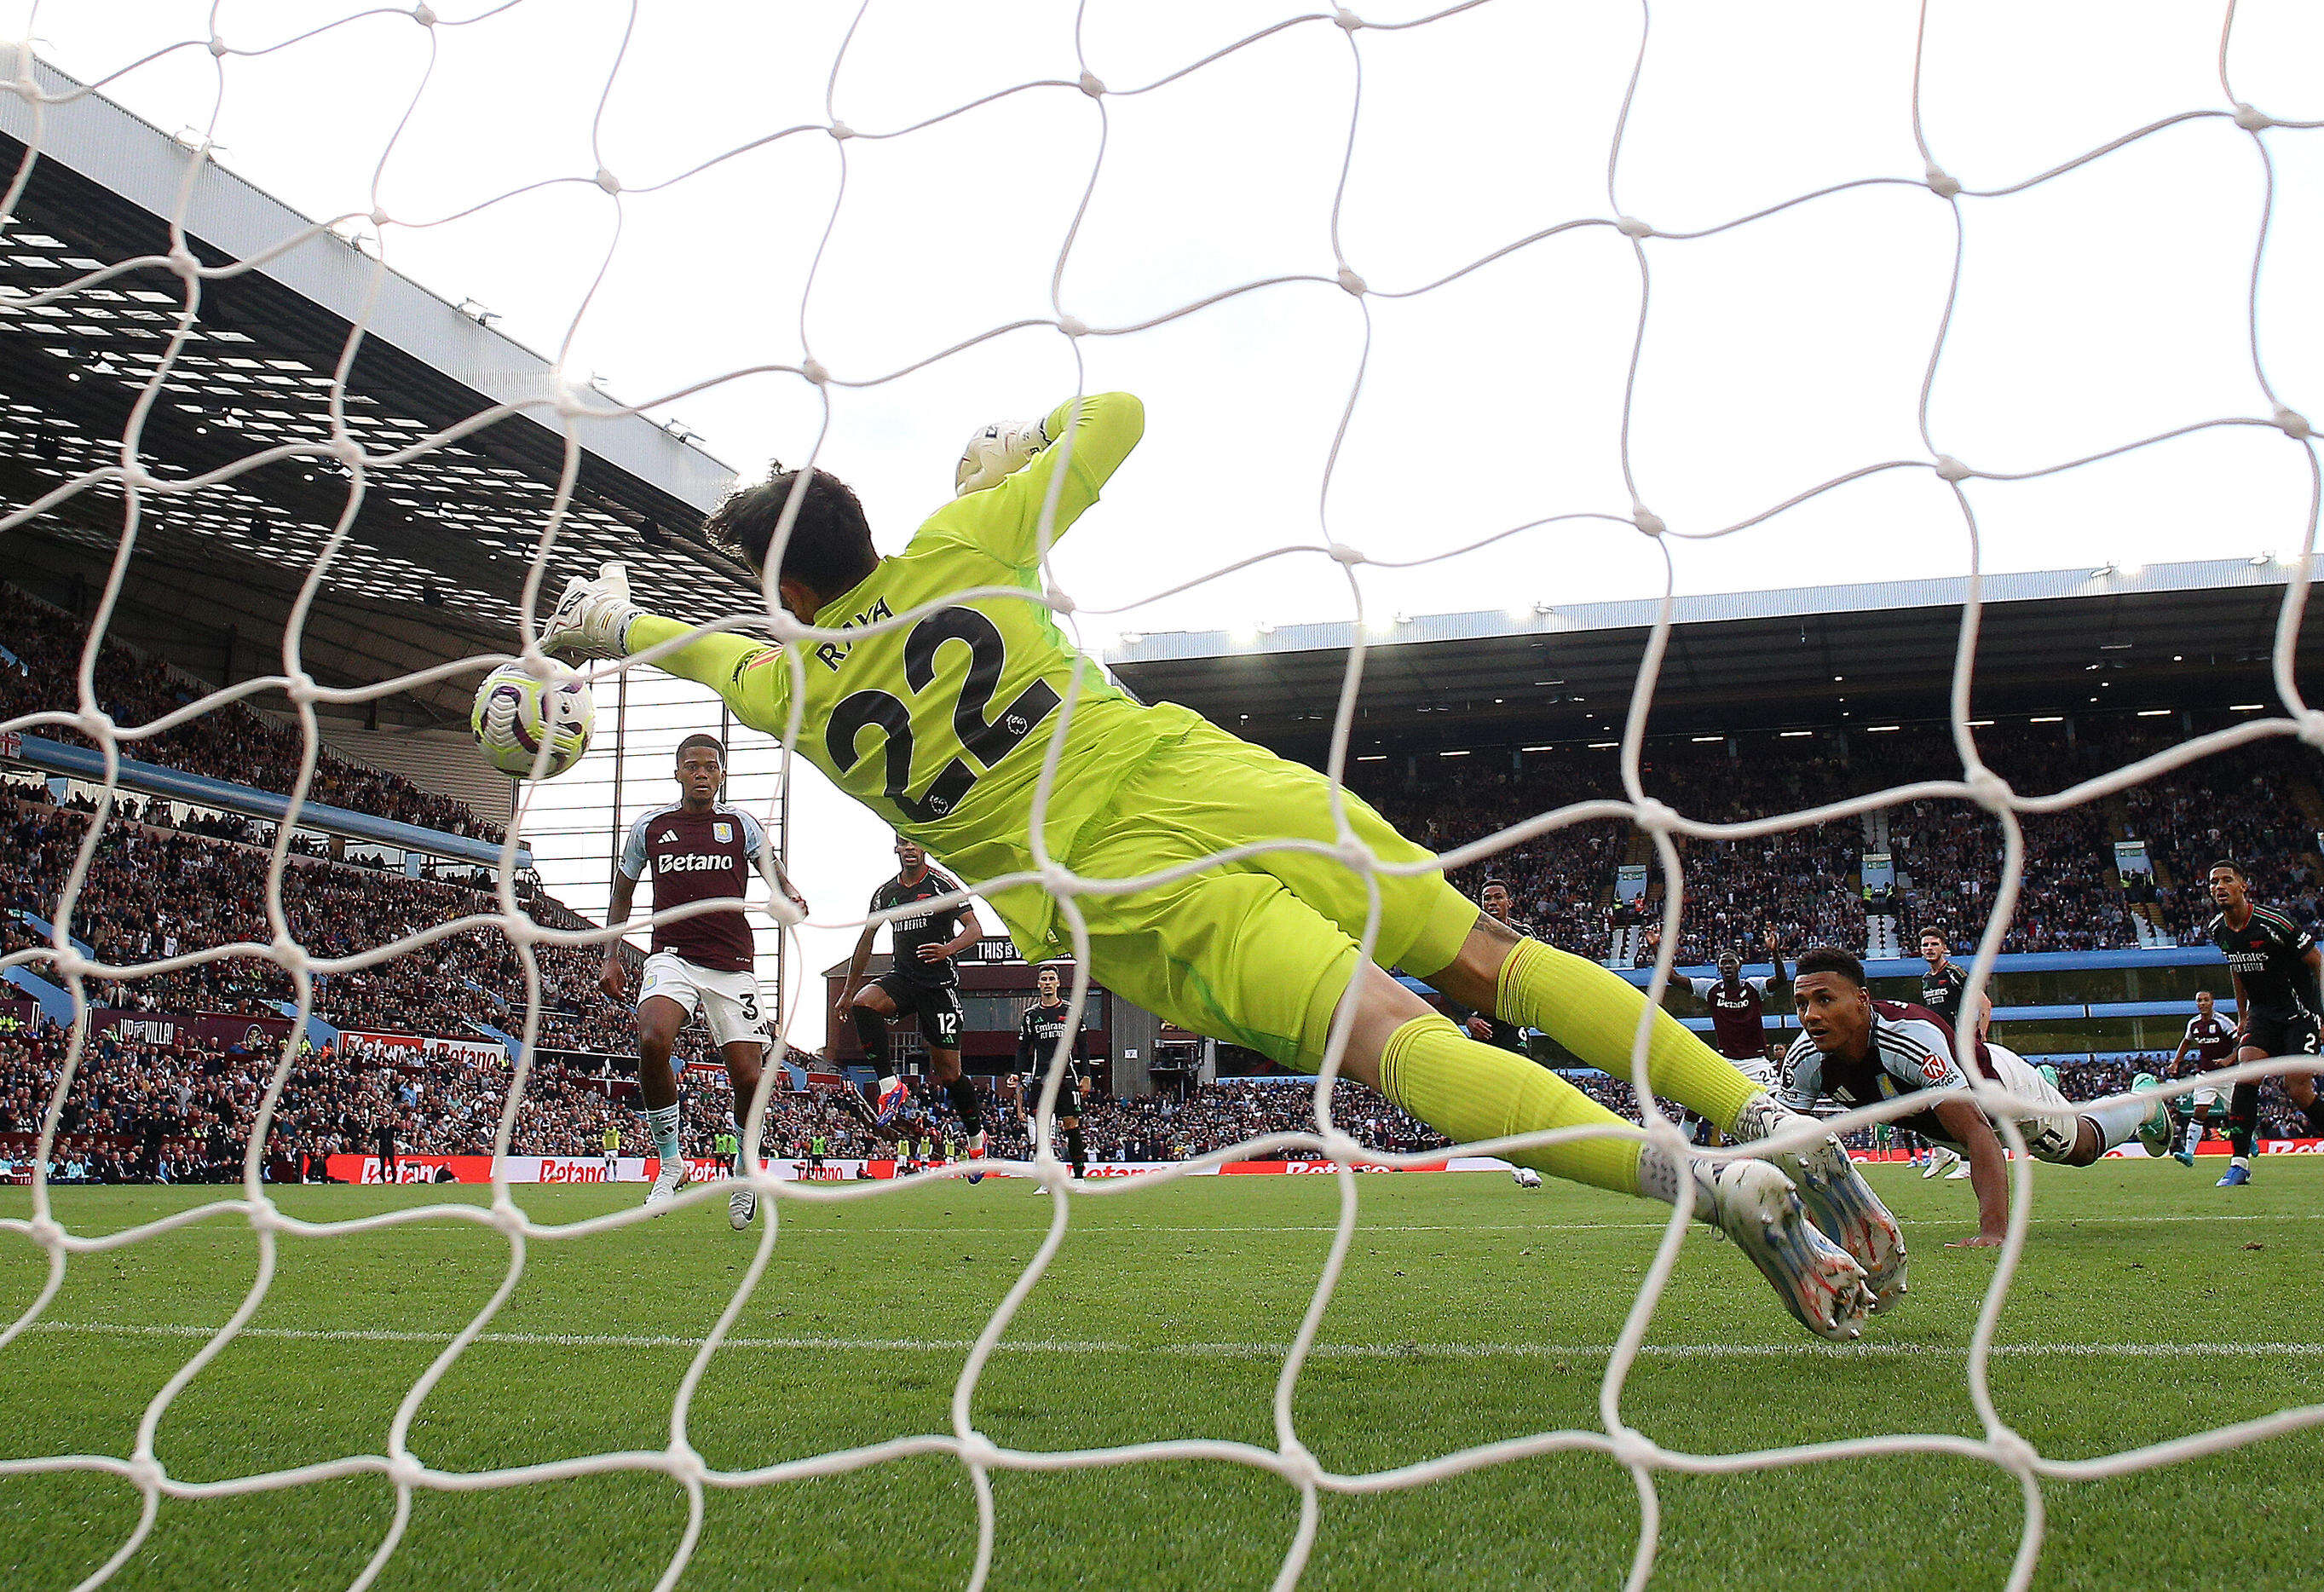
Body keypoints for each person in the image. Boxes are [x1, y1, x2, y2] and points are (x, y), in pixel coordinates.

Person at [537, 389, 1906, 1339]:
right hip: (1214, 778)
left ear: (788, 591)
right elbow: (1123, 417)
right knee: (1490, 958)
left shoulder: (796, 689)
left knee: (1387, 1035)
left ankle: (1711, 1191)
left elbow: (695, 652)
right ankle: (1747, 1109)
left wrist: (612, 626)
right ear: (867, 529)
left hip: (1118, 885)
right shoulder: (972, 542)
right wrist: (1018, 458)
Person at [1781, 946, 2173, 1248]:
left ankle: (2142, 1101)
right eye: (1802, 1004)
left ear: (1863, 999)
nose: (1810, 1015)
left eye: (1825, 999)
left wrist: (1993, 1232)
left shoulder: (1908, 1038)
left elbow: (1977, 1133)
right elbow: (1786, 1147)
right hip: (1934, 1120)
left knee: (2081, 1149)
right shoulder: (1804, 1058)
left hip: (1998, 1095)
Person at [601, 733, 808, 1228]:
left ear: (720, 774)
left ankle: (743, 1167)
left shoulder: (742, 824)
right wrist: (610, 956)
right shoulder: (651, 827)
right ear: (677, 772)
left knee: (751, 1079)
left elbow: (773, 872)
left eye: (710, 766)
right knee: (652, 1037)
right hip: (671, 957)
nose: (700, 773)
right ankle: (671, 1161)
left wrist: (791, 894)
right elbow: (622, 893)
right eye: (691, 765)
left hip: (732, 963)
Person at [2201, 862, 2324, 1187]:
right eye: (2213, 882)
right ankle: (2239, 1164)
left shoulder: (2274, 923)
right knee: (2246, 1076)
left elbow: (2321, 963)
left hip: (2298, 1013)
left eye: (2227, 880)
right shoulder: (2218, 929)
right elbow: (2237, 968)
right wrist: (2243, 1014)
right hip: (2262, 1013)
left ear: (2243, 886)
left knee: (2299, 1090)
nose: (2219, 886)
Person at [836, 838, 989, 1177]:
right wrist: (847, 991)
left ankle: (977, 1138)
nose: (908, 848)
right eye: (902, 842)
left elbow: (976, 930)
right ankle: (890, 1087)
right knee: (864, 1004)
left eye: (914, 842)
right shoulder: (885, 894)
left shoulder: (943, 885)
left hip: (939, 987)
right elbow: (866, 941)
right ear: (895, 849)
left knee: (950, 1074)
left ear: (924, 848)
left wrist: (947, 950)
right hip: (903, 979)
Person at [1651, 925, 1789, 1143]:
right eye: (1722, 963)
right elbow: (1673, 978)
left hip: (1756, 1061)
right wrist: (1656, 947)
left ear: (1739, 965)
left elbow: (1781, 980)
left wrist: (1775, 952)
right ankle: (1677, 1152)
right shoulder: (1711, 989)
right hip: (1726, 1062)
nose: (1726, 966)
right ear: (1718, 968)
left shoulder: (1754, 987)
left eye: (1730, 962)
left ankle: (1789, 1147)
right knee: (1696, 1105)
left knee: (1779, 1106)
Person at [1912, 926, 1990, 1179]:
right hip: (1939, 1045)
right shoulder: (1926, 979)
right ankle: (1942, 1152)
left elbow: (1984, 1003)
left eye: (1934, 944)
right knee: (1926, 1091)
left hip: (1960, 1045)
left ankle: (1967, 1162)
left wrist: (1980, 1034)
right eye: (1925, 945)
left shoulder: (1955, 973)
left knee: (1964, 1098)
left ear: (1944, 947)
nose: (1929, 949)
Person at [1018, 964, 1087, 1186]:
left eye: (1051, 979)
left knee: (1071, 1126)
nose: (1047, 983)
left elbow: (1083, 1046)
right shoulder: (1031, 1015)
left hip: (1066, 1078)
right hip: (1040, 1080)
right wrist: (1018, 1075)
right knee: (1042, 1131)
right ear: (1038, 984)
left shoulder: (1070, 1011)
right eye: (1044, 979)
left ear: (1058, 983)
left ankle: (1078, 1177)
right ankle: (1045, 1181)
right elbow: (1022, 1048)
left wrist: (1086, 1075)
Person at [1457, 880, 1533, 1053]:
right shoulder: (1470, 936)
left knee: (1519, 1069)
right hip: (1484, 1022)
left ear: (1509, 902)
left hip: (1513, 1019)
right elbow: (1453, 979)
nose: (1492, 902)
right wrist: (1468, 1018)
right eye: (1487, 898)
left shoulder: (1525, 934)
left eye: (1498, 897)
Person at [2165, 990, 2238, 1168]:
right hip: (2205, 1075)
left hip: (2227, 1075)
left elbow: (2241, 1041)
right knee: (2200, 1112)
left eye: (2206, 1000)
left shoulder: (2224, 1022)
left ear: (2213, 1002)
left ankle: (2248, 1140)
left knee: (2235, 1114)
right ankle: (2189, 1154)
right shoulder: (2194, 1023)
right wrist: (2176, 1062)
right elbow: (2186, 1042)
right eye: (2199, 1000)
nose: (2203, 1003)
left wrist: (2229, 1059)